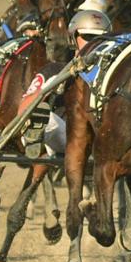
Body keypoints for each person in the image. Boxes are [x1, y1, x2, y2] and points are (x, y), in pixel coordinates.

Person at [18, 9, 112, 157]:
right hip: (68, 135)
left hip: (104, 137)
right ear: (72, 38)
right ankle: (35, 133)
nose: (94, 43)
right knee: (41, 116)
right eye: (88, 37)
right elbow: (24, 108)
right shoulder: (54, 70)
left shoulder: (113, 75)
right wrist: (54, 86)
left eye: (102, 39)